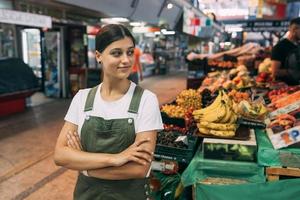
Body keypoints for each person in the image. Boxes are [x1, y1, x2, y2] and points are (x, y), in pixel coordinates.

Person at [54, 24, 163, 200]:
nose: (126, 60)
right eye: (116, 53)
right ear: (99, 56)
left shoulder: (146, 100)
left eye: (129, 52)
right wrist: (115, 159)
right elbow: (60, 155)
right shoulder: (82, 99)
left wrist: (83, 163)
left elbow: (139, 168)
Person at [271, 17, 300, 85]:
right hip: (286, 90)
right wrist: (293, 71)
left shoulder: (298, 45)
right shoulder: (279, 47)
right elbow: (275, 72)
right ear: (294, 29)